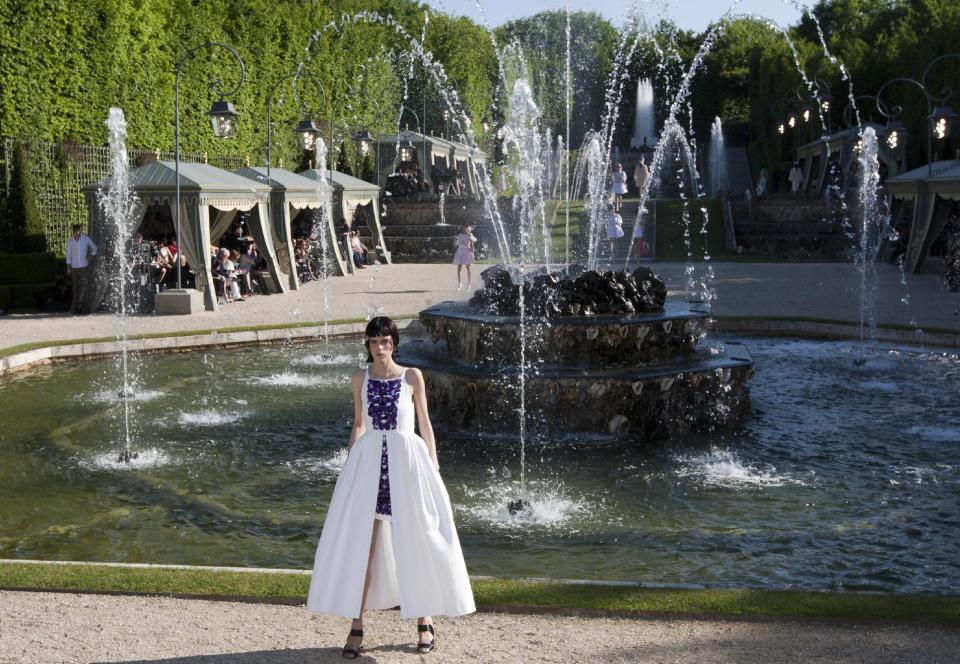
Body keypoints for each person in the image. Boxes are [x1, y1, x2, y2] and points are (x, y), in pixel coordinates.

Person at [306, 316, 475, 658]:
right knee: (360, 550)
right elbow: (358, 424)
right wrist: (349, 464)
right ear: (367, 345)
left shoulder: (411, 376)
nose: (380, 347)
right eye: (373, 341)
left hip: (407, 465)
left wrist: (434, 464)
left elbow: (425, 424)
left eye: (385, 341)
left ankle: (424, 623)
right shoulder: (360, 378)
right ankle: (356, 626)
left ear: (394, 343)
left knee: (416, 542)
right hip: (369, 467)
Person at [65, 223, 97, 314]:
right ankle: (73, 307)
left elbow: (94, 247)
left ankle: (81, 303)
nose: (79, 232)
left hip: (84, 266)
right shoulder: (70, 241)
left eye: (80, 230)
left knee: (84, 285)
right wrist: (68, 267)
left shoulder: (85, 239)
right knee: (75, 287)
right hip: (74, 267)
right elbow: (68, 255)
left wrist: (91, 256)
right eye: (77, 230)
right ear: (74, 231)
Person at [452, 224, 477, 291]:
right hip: (460, 251)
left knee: (468, 267)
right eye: (463, 228)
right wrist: (457, 243)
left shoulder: (470, 235)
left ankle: (469, 284)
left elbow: (472, 245)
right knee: (459, 267)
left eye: (465, 228)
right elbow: (456, 242)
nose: (464, 229)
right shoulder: (460, 235)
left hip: (467, 252)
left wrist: (473, 255)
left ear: (467, 228)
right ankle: (459, 283)